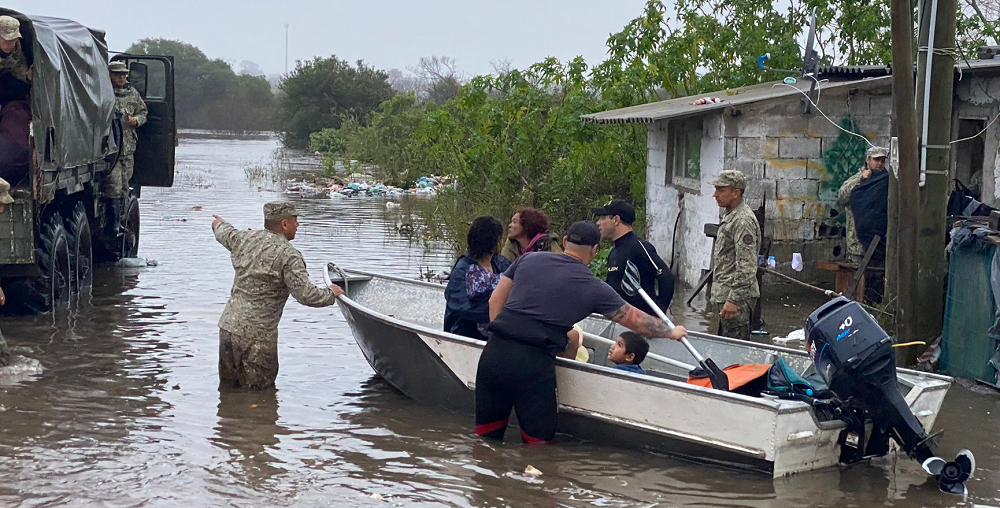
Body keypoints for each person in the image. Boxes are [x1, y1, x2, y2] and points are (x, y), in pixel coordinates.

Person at [475, 221, 687, 443]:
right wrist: (671, 332)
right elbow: (636, 320)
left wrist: (497, 338)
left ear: (565, 242)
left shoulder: (527, 259)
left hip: (493, 356)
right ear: (595, 251)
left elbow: (495, 300)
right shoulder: (594, 287)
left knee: (485, 440)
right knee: (537, 448)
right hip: (533, 366)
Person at [211, 201, 343, 389]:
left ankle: (230, 418)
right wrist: (331, 293)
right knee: (260, 397)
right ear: (284, 224)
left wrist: (218, 223)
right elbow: (306, 295)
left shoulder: (245, 238)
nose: (298, 225)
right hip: (257, 338)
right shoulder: (289, 255)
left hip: (228, 329)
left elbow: (224, 232)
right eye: (295, 220)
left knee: (228, 391)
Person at [592, 199, 675, 315]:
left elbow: (667, 277)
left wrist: (658, 314)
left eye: (602, 218)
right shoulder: (613, 253)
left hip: (642, 321)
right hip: (622, 321)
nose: (598, 223)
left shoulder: (638, 247)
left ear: (616, 220)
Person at [709, 170, 761, 341]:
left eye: (721, 190)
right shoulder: (732, 216)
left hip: (737, 299)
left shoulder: (742, 221)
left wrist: (734, 300)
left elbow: (747, 266)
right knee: (725, 348)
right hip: (726, 295)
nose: (715, 195)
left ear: (736, 193)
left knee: (735, 354)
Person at [443, 216, 511, 340]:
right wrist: (499, 313)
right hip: (464, 334)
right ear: (494, 242)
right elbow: (462, 306)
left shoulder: (501, 264)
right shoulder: (462, 269)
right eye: (500, 239)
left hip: (495, 333)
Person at [838, 146, 889, 265]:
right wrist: (860, 179)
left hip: (880, 244)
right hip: (858, 245)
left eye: (882, 160)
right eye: (876, 160)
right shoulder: (857, 179)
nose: (880, 164)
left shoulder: (887, 180)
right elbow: (842, 197)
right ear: (868, 160)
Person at [0, 15, 31, 184]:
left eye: (13, 39)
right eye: (7, 40)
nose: (11, 44)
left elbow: (18, 68)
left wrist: (28, 75)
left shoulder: (16, 48)